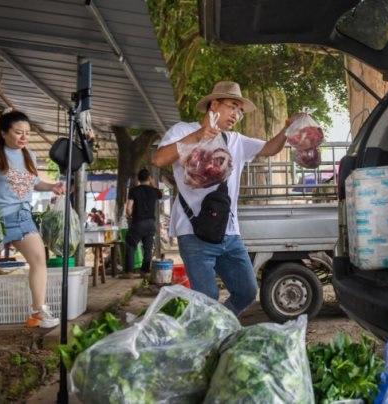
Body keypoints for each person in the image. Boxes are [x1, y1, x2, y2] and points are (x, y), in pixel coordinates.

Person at [152, 80, 302, 315]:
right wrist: (198, 136)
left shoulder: (236, 140)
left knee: (247, 292)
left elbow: (270, 149)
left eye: (240, 111)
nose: (236, 115)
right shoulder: (182, 130)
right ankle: (208, 330)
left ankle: (218, 326)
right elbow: (159, 159)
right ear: (214, 104)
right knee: (207, 298)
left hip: (230, 233)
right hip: (193, 232)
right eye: (232, 106)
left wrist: (287, 129)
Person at [0, 110, 64, 328]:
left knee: (39, 261)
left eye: (27, 133)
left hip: (23, 218)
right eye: (18, 132)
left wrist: (52, 187)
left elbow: (33, 184)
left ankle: (38, 312)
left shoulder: (30, 155)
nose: (24, 137)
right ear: (3, 132)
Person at [123, 168, 162, 278]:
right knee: (147, 249)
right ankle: (145, 272)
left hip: (138, 223)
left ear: (138, 179)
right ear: (149, 178)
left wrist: (129, 216)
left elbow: (128, 208)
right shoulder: (154, 191)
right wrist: (153, 183)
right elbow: (161, 194)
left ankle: (129, 272)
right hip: (150, 223)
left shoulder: (134, 190)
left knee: (131, 245)